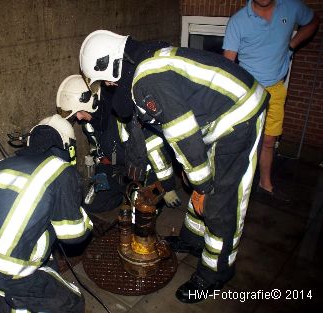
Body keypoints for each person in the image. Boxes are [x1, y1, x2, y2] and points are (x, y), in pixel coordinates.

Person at [79, 30, 269, 303]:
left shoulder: (147, 82)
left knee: (221, 199)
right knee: (199, 181)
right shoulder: (141, 71)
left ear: (113, 63)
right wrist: (171, 183)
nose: (107, 85)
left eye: (105, 78)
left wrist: (202, 185)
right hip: (217, 117)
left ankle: (216, 272)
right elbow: (157, 139)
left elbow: (184, 136)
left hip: (240, 113)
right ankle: (192, 240)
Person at [0, 114, 92, 313]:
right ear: (67, 147)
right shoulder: (62, 171)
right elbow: (73, 236)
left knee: (46, 265)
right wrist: (85, 218)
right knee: (73, 301)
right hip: (14, 274)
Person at [223, 0, 320, 203]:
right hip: (248, 90)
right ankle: (233, 186)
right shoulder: (238, 21)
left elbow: (313, 21)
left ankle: (265, 184)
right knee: (242, 140)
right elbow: (227, 65)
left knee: (269, 141)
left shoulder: (291, 8)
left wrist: (292, 45)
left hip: (275, 89)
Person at [56, 74, 181, 216]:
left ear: (92, 102)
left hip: (144, 167)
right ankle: (123, 194)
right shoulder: (90, 124)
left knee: (140, 213)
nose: (78, 118)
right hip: (118, 169)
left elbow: (155, 150)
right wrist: (102, 170)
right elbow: (97, 150)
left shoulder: (123, 115)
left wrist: (167, 185)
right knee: (91, 204)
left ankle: (146, 199)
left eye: (78, 112)